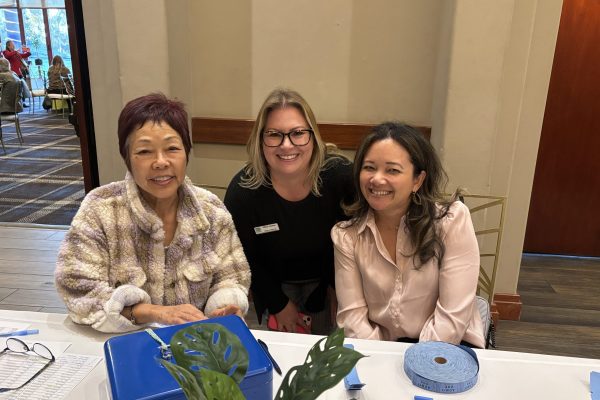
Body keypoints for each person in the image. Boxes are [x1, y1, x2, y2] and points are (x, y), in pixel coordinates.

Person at [55, 93, 251, 333]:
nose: (160, 162)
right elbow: (76, 287)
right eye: (145, 151)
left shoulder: (211, 211)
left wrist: (224, 307)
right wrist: (151, 312)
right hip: (123, 342)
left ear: (186, 153)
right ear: (127, 158)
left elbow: (232, 276)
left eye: (172, 148)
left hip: (194, 342)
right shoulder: (100, 209)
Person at [331, 122, 485, 348]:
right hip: (380, 350)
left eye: (392, 170)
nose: (377, 179)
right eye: (369, 167)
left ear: (417, 180)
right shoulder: (346, 236)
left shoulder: (451, 221)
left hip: (449, 346)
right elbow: (352, 319)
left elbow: (452, 319)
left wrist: (417, 360)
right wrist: (380, 359)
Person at [224, 88, 354, 335]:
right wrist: (278, 304)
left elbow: (356, 240)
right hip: (271, 284)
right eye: (274, 134)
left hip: (331, 281)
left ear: (313, 136)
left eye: (297, 133)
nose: (286, 145)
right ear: (260, 140)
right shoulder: (243, 192)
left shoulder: (339, 177)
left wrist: (340, 289)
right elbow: (243, 256)